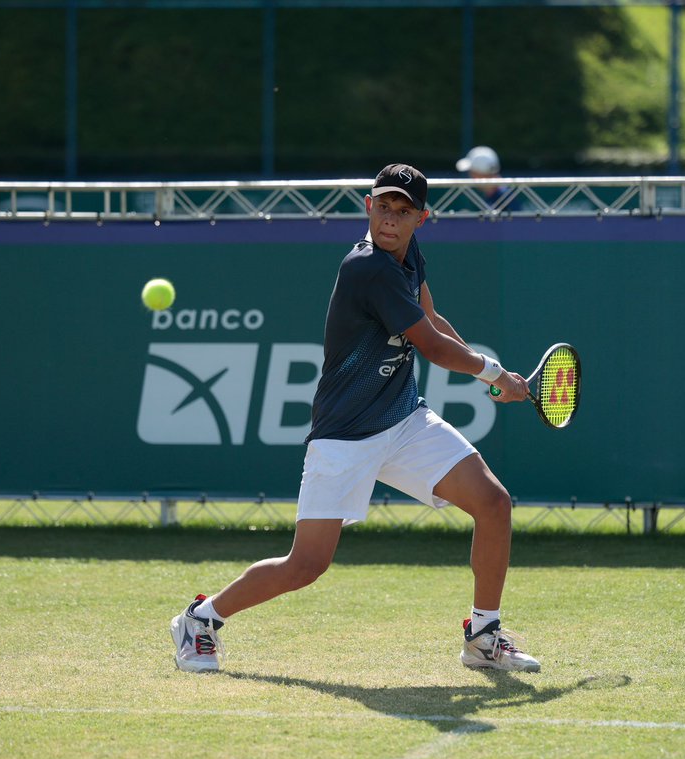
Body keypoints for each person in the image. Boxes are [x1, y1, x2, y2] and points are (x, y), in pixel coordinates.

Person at [170, 163, 540, 674]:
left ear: (420, 219)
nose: (390, 219)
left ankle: (483, 635)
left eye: (403, 211)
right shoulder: (368, 269)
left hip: (405, 420)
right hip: (345, 433)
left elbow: (432, 320)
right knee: (306, 565)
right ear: (368, 207)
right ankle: (200, 619)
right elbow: (430, 347)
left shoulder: (409, 256)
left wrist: (489, 369)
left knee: (494, 504)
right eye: (383, 207)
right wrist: (496, 374)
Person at [456, 145, 519, 211]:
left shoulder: (505, 197)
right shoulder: (497, 194)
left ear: (480, 173)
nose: (470, 176)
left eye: (472, 172)